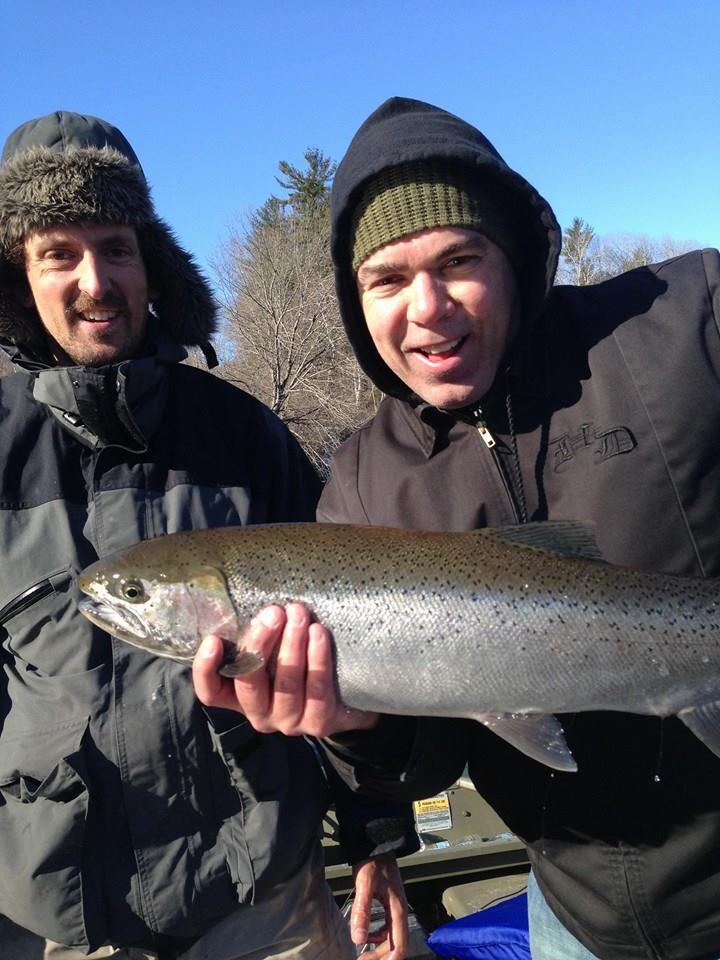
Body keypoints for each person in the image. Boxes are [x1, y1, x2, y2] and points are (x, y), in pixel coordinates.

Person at [193, 96, 720, 960]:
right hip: (577, 917)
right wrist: (353, 724)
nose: (428, 307)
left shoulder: (684, 321)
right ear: (355, 300)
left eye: (459, 260)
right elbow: (428, 757)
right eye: (388, 280)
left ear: (512, 259)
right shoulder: (360, 488)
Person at [0, 110, 417, 960]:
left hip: (268, 898)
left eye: (117, 247)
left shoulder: (245, 434)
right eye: (59, 254)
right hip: (66, 921)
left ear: (151, 263)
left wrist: (377, 836)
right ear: (19, 275)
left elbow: (354, 641)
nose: (95, 281)